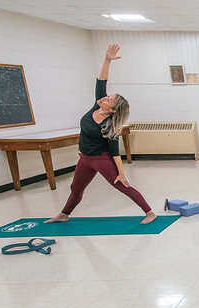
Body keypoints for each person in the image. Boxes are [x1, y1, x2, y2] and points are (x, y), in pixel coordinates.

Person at [45, 44, 156, 225]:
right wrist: (107, 60)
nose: (104, 98)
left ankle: (150, 213)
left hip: (101, 159)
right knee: (76, 188)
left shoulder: (110, 127)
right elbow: (101, 81)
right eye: (106, 96)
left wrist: (121, 173)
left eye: (108, 99)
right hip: (85, 158)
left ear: (112, 110)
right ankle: (64, 214)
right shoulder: (97, 106)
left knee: (122, 186)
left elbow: (115, 153)